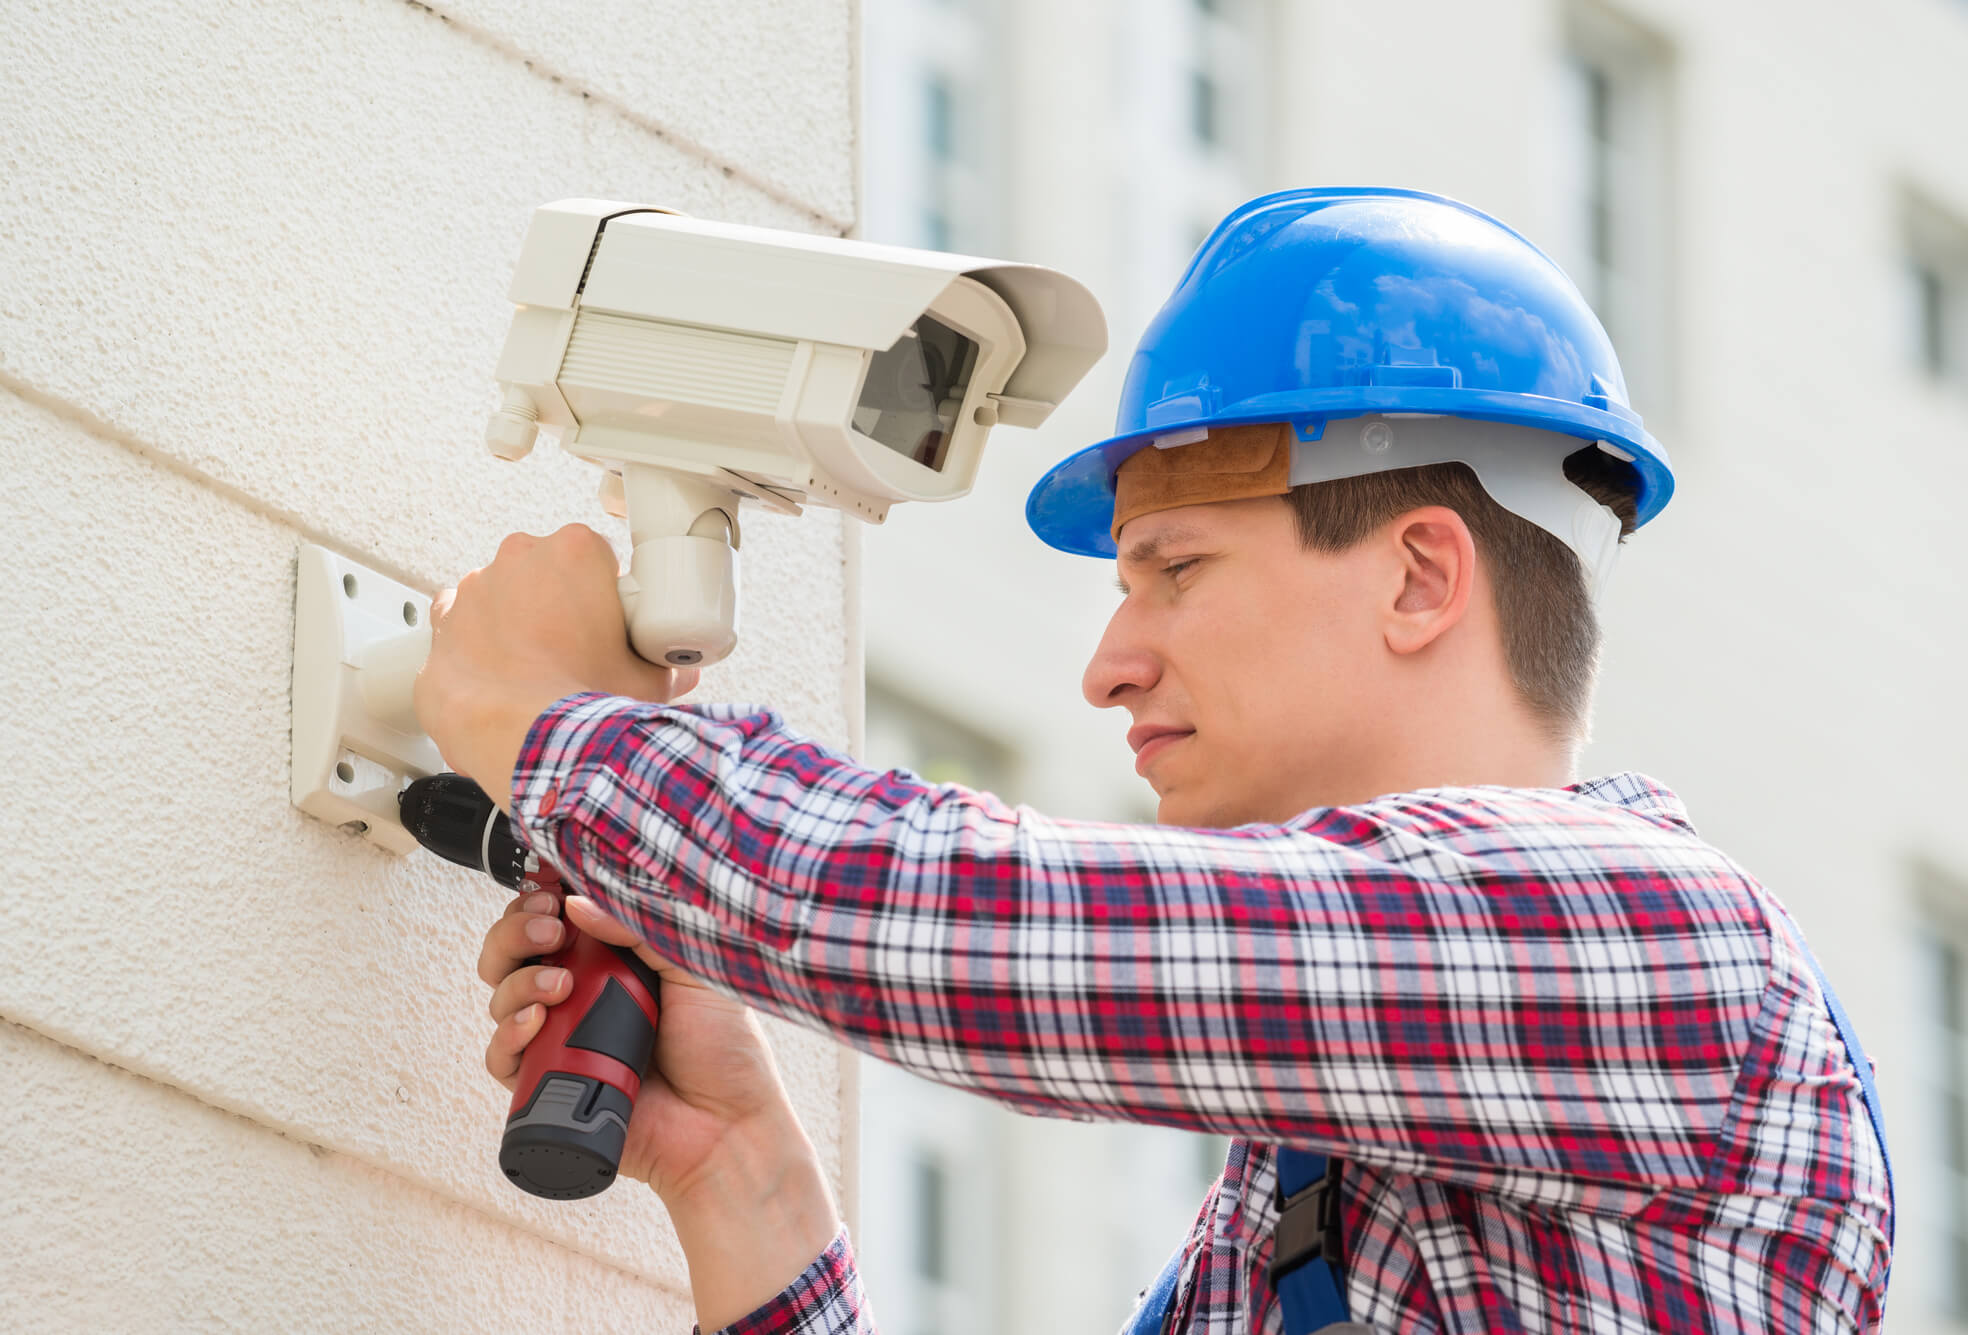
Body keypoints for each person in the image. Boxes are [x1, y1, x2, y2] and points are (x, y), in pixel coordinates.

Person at [417, 188, 1893, 1334]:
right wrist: (744, 1175)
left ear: (1420, 580)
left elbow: (998, 934)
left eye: (1173, 569)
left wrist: (553, 727)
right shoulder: (1310, 1185)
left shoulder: (1646, 942)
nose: (1110, 663)